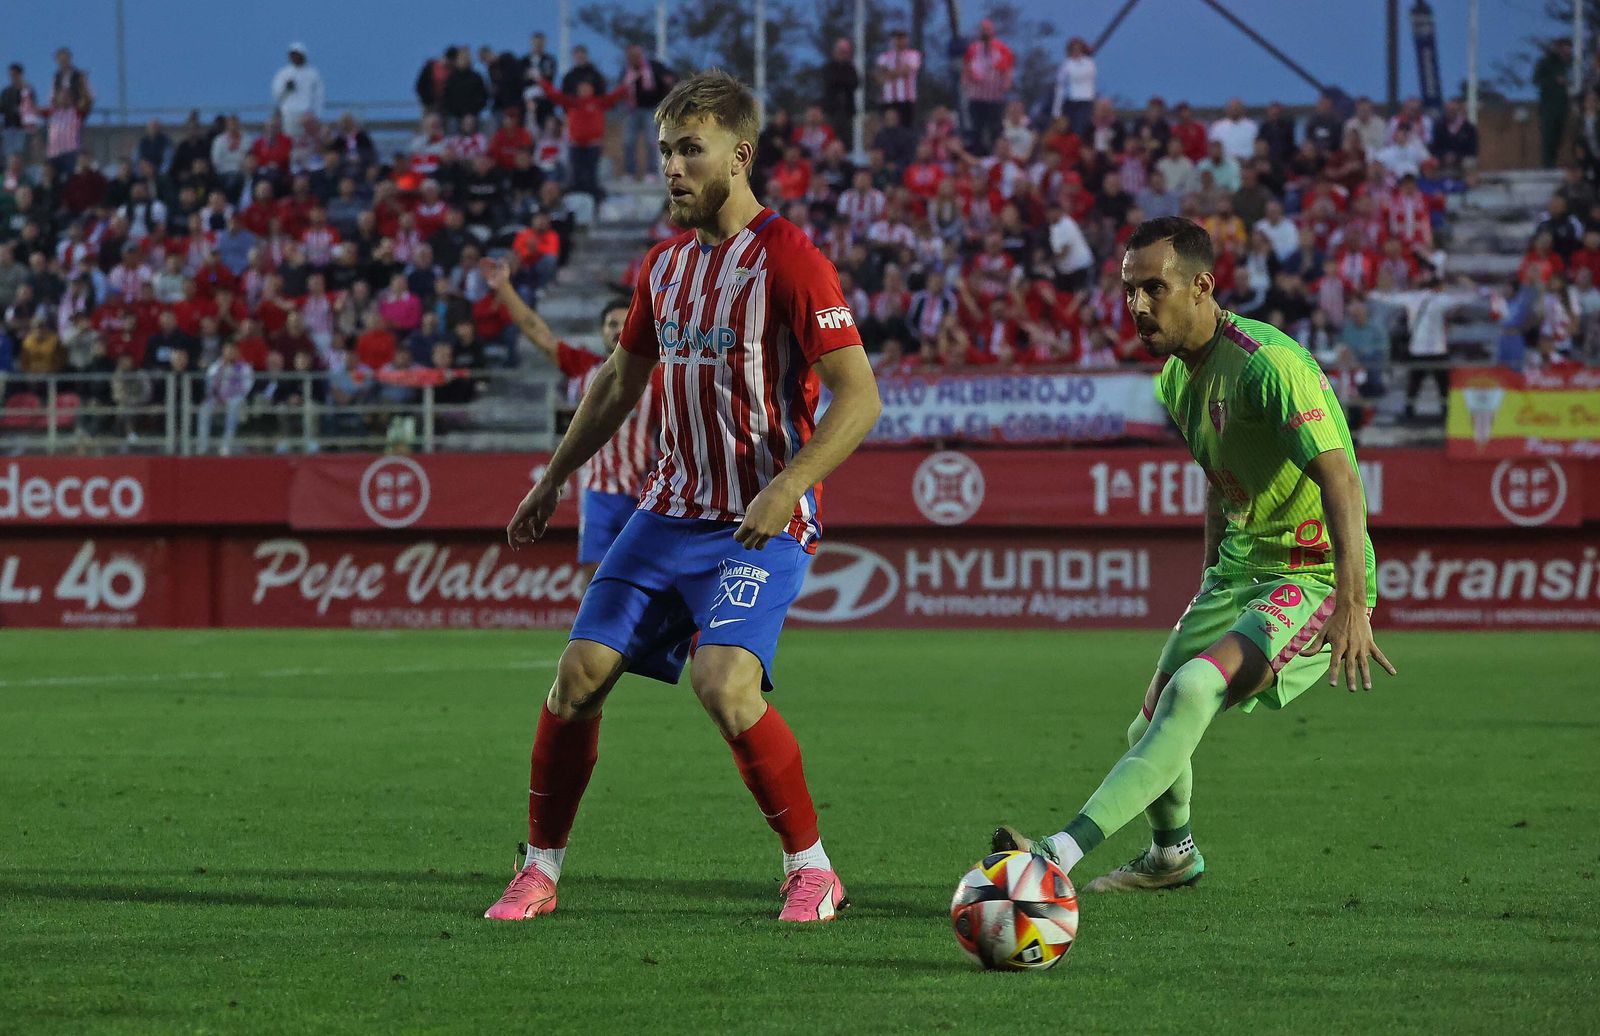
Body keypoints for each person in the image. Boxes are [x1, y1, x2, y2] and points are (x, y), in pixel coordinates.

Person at [485, 69, 882, 925]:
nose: (672, 167)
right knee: (577, 676)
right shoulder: (662, 269)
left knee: (724, 682)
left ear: (739, 157)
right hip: (664, 513)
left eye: (689, 151)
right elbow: (616, 385)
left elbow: (861, 395)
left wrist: (789, 484)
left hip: (755, 523)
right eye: (666, 151)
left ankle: (812, 869)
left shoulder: (791, 259)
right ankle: (540, 870)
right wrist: (553, 477)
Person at [992, 217, 1392, 892]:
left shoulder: (1270, 366)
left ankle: (1058, 853)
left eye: (1155, 287)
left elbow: (1342, 479)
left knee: (1196, 688)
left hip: (1313, 573)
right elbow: (1222, 480)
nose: (1138, 306)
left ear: (1202, 286)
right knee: (1146, 723)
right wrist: (1213, 575)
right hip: (1238, 571)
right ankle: (1172, 855)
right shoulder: (1176, 383)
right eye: (1128, 290)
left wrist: (1352, 602)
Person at [482, 255, 661, 591]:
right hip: (598, 493)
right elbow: (539, 334)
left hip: (645, 490)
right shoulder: (584, 368)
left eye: (625, 322)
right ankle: (598, 642)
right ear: (601, 332)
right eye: (610, 324)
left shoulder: (660, 375)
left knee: (650, 578)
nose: (618, 329)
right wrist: (504, 288)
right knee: (594, 577)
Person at [618, 45, 678, 181]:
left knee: (651, 141)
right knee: (628, 142)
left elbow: (671, 76)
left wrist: (668, 82)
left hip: (650, 109)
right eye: (631, 57)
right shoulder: (626, 72)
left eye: (637, 56)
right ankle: (629, 172)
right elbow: (620, 89)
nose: (634, 59)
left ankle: (651, 172)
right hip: (631, 111)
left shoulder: (654, 67)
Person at [962, 18, 1014, 154]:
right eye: (983, 30)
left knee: (995, 129)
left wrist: (1006, 85)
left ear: (993, 31)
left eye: (988, 30)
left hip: (994, 98)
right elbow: (966, 68)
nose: (985, 33)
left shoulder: (1002, 49)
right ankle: (978, 156)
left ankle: (995, 155)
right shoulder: (973, 49)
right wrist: (967, 84)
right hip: (977, 97)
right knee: (976, 129)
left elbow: (1008, 69)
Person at [1535, 38, 1573, 169]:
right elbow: (1536, 79)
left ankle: (1553, 162)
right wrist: (1554, 81)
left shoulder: (1569, 64)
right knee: (1548, 137)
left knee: (1559, 137)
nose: (1567, 50)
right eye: (1565, 47)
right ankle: (1547, 165)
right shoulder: (1546, 62)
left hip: (1563, 106)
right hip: (1549, 107)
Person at [272, 43, 325, 136]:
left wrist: (317, 115)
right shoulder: (283, 74)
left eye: (297, 55)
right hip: (288, 113)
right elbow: (277, 95)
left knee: (306, 141)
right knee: (289, 138)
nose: (295, 57)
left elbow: (319, 96)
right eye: (293, 55)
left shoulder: (313, 74)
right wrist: (286, 89)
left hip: (306, 113)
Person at [875, 29, 921, 129]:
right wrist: (894, 72)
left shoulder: (913, 55)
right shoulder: (884, 56)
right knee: (888, 128)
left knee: (906, 128)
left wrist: (888, 73)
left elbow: (906, 71)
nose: (900, 41)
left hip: (906, 99)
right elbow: (879, 75)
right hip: (888, 99)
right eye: (897, 38)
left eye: (902, 38)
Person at [1051, 38, 1095, 137]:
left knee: (1081, 129)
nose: (1076, 52)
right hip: (1070, 102)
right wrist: (1056, 111)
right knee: (1068, 129)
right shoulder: (1066, 65)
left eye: (1078, 49)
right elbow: (1060, 87)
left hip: (1085, 101)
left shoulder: (1089, 63)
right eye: (1073, 49)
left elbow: (1085, 75)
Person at [820, 39, 860, 146]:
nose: (842, 54)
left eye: (845, 52)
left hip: (847, 110)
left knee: (846, 139)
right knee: (830, 136)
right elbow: (831, 82)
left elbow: (855, 83)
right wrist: (844, 82)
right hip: (831, 110)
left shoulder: (851, 68)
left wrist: (841, 81)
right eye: (840, 51)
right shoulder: (829, 67)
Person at [1, 64, 40, 161]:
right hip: (8, 128)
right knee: (9, 156)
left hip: (23, 129)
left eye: (15, 74)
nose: (13, 77)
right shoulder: (6, 91)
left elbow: (32, 108)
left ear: (20, 75)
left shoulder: (27, 90)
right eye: (11, 75)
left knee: (21, 155)